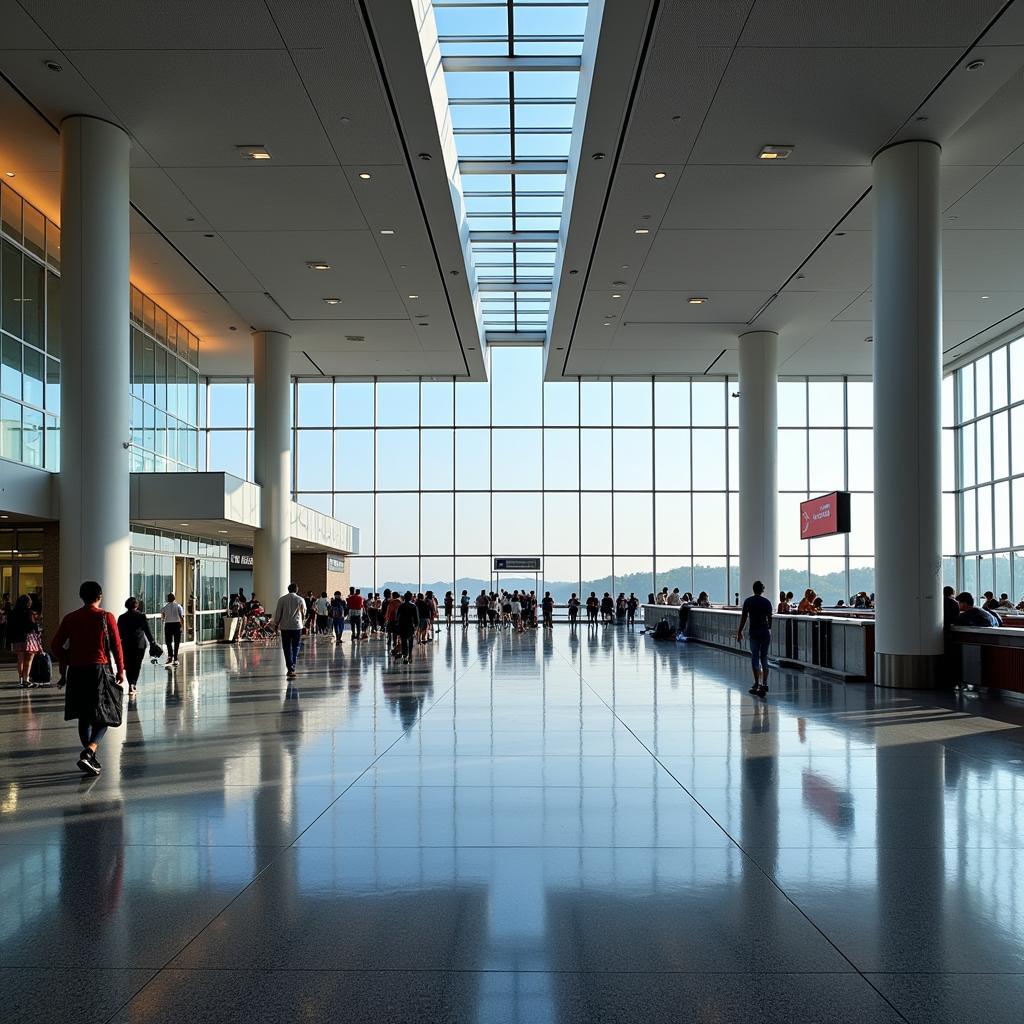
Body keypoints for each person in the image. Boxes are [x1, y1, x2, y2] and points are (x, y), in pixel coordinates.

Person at [51, 580, 126, 776]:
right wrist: (121, 670)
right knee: (105, 712)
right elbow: (117, 646)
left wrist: (68, 661)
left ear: (81, 596)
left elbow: (56, 645)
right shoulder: (105, 617)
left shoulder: (70, 618)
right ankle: (90, 750)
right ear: (100, 596)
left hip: (77, 671)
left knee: (83, 715)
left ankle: (89, 756)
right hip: (98, 669)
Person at [736, 580, 773, 698]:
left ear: (753, 589)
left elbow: (744, 617)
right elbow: (770, 618)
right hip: (765, 632)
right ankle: (765, 684)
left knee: (755, 657)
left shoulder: (748, 601)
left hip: (754, 632)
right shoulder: (767, 602)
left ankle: (757, 683)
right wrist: (769, 629)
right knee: (764, 657)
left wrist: (740, 631)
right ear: (762, 590)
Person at [117, 597, 155, 696]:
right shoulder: (141, 616)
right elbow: (147, 630)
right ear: (136, 605)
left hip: (126, 644)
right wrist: (152, 642)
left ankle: (130, 684)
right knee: (136, 665)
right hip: (139, 645)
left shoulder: (122, 617)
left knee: (128, 665)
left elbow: (118, 633)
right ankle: (133, 684)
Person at [272, 583, 307, 678]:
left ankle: (289, 667)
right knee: (295, 646)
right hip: (297, 626)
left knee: (286, 647)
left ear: (288, 589)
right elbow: (304, 612)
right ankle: (293, 665)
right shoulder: (300, 599)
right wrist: (303, 623)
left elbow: (278, 613)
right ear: (296, 590)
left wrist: (276, 624)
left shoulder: (282, 599)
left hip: (285, 627)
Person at [8, 594, 42, 688]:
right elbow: (33, 626)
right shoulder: (29, 613)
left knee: (20, 660)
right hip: (29, 639)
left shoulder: (13, 613)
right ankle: (26, 679)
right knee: (28, 660)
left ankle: (21, 680)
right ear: (28, 603)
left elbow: (9, 627)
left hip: (17, 639)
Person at [161, 592, 185, 667]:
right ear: (174, 598)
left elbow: (163, 617)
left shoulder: (164, 607)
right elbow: (181, 617)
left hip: (168, 625)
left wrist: (166, 619)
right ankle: (175, 658)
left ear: (168, 599)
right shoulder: (178, 606)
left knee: (168, 642)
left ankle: (170, 657)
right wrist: (182, 626)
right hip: (176, 625)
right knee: (176, 642)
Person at [395, 591, 419, 663]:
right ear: (411, 598)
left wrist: (398, 624)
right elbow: (416, 618)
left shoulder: (401, 606)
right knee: (410, 640)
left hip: (402, 625)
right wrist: (416, 625)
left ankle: (405, 655)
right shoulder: (413, 606)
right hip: (410, 625)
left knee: (404, 640)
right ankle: (409, 655)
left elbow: (397, 616)